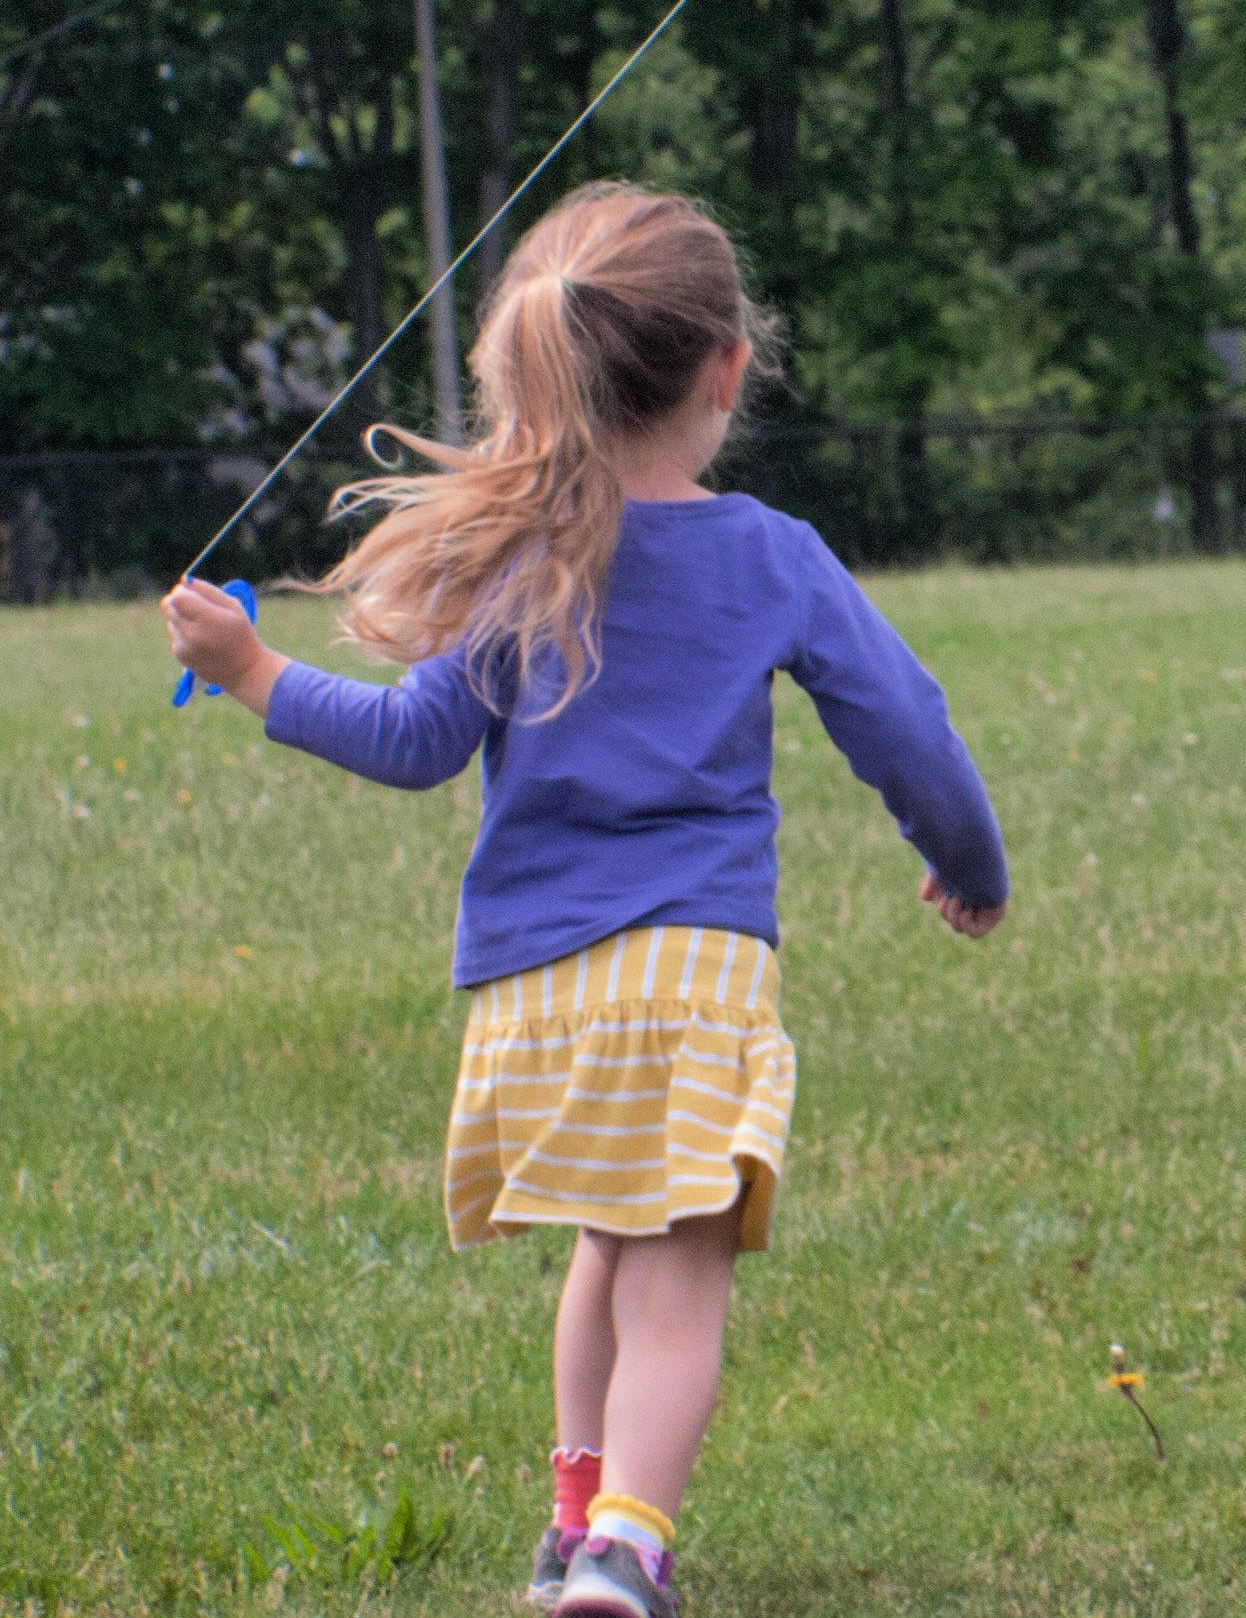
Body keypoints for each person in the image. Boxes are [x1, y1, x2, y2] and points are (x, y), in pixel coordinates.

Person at [161, 184, 1009, 1618]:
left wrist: (253, 671)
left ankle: (568, 1523)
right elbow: (906, 723)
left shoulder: (517, 549)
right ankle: (627, 1545)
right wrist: (970, 858)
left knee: (607, 1240)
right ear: (728, 367)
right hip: (690, 978)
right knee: (679, 1280)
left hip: (533, 987)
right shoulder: (771, 553)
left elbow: (413, 743)